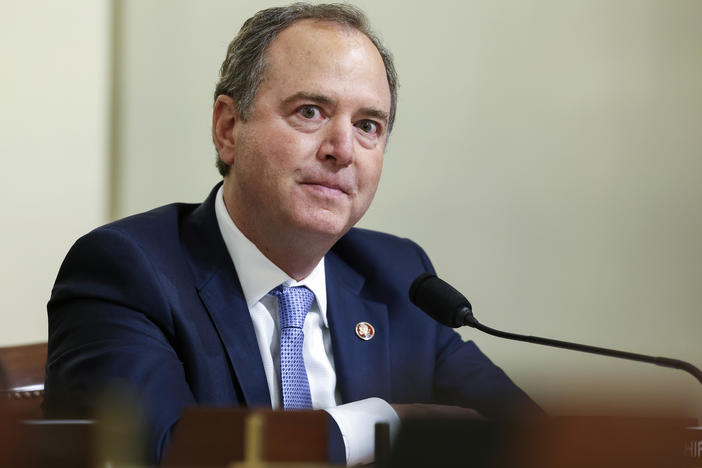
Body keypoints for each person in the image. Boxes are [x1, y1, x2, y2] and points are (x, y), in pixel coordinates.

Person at [45, 3, 540, 465]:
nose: (342, 149)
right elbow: (154, 454)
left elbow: (528, 435)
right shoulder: (127, 271)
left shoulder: (399, 277)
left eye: (368, 125)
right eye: (310, 112)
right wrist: (380, 424)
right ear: (227, 127)